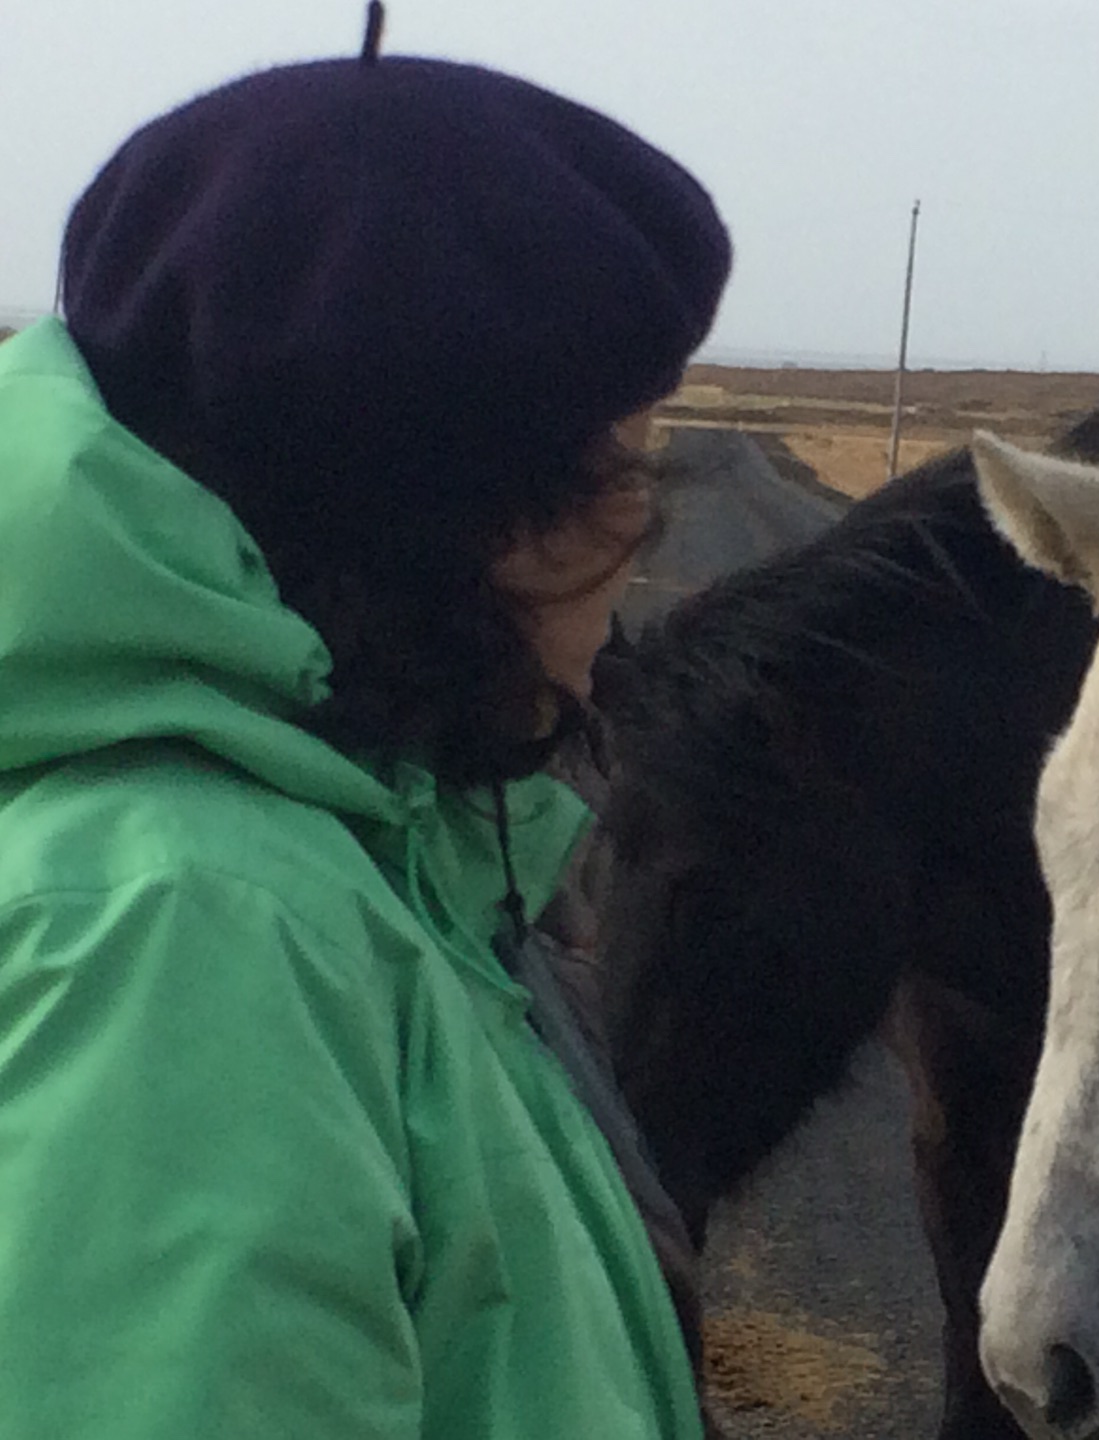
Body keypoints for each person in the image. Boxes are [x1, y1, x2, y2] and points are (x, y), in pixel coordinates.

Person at [0, 18, 730, 1440]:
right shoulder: (193, 936)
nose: (640, 539)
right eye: (627, 460)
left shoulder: (377, 863)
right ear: (486, 518)